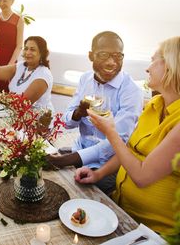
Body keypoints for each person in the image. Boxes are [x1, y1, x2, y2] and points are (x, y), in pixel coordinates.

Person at [75, 36, 180, 240]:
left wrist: (111, 132)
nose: (148, 69)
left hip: (166, 232)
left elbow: (142, 177)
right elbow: (130, 150)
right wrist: (99, 174)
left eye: (153, 60)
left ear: (172, 66)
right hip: (125, 210)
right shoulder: (155, 105)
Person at [46, 31, 143, 195]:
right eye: (104, 55)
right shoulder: (86, 79)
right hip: (78, 148)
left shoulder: (131, 91)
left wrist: (66, 160)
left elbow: (117, 141)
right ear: (91, 56)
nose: (112, 62)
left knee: (76, 197)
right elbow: (66, 122)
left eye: (117, 56)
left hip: (105, 166)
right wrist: (78, 113)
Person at [0, 36, 53, 110]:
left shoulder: (43, 75)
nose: (28, 52)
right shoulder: (21, 66)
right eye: (26, 49)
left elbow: (22, 102)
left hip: (37, 119)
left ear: (41, 53)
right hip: (14, 113)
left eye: (32, 50)